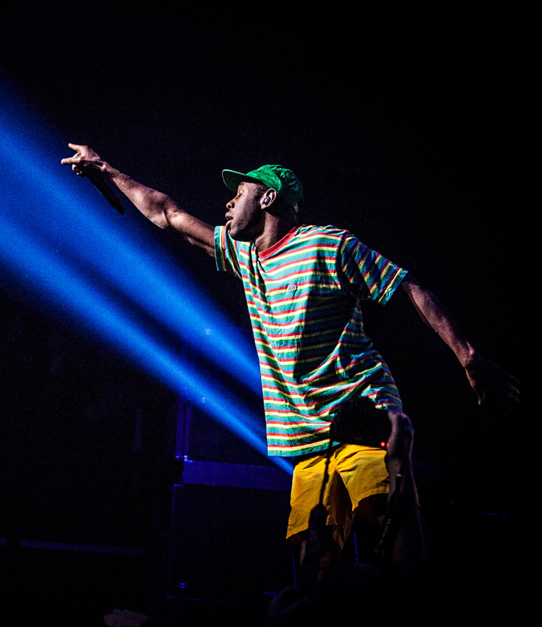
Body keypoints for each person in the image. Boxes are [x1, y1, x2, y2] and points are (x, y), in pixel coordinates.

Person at [61, 144, 519, 567]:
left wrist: (468, 356)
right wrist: (106, 169)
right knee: (314, 560)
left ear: (267, 198)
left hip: (360, 413)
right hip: (303, 435)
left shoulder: (327, 246)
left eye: (238, 193)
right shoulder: (245, 256)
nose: (227, 204)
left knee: (390, 525)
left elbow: (407, 287)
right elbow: (168, 213)